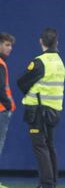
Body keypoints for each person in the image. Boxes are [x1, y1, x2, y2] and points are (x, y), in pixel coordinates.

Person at [17, 28, 65, 188]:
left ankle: (46, 184)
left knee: (40, 147)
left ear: (41, 41)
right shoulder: (60, 62)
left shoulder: (39, 62)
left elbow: (22, 82)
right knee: (50, 145)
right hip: (54, 111)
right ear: (56, 42)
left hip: (38, 110)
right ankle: (52, 182)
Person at [0, 33, 16, 188]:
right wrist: (9, 105)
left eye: (10, 45)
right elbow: (1, 89)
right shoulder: (0, 63)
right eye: (7, 44)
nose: (10, 48)